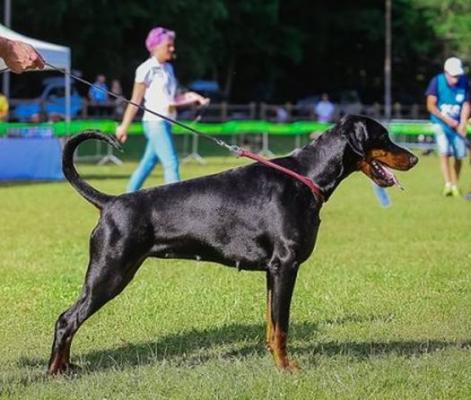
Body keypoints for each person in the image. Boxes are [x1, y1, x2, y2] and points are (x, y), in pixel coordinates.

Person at [115, 27, 208, 192]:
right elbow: (135, 100)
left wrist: (194, 97)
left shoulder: (168, 69)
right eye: (168, 46)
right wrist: (124, 126)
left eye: (172, 45)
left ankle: (126, 197)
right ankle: (176, 205)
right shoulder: (146, 69)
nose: (172, 49)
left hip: (166, 122)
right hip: (154, 123)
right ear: (155, 46)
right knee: (171, 163)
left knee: (148, 164)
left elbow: (172, 100)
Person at [426, 57, 470, 197]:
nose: (456, 78)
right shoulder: (437, 81)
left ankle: (456, 184)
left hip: (457, 125)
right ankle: (448, 184)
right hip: (440, 123)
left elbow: (466, 103)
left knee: (459, 154)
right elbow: (430, 105)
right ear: (446, 72)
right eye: (453, 76)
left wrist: (463, 122)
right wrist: (447, 120)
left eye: (458, 75)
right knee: (444, 152)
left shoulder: (464, 82)